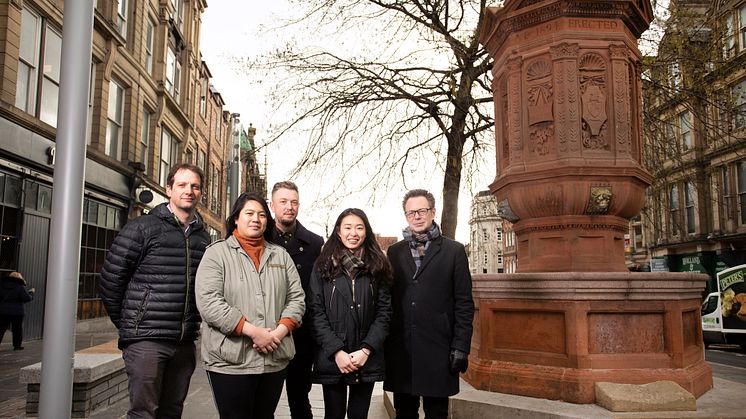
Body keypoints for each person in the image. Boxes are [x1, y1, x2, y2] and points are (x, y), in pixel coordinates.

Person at [100, 163, 211, 419]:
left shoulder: (203, 239)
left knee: (172, 411)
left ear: (200, 193)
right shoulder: (142, 228)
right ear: (168, 189)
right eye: (182, 185)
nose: (189, 191)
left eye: (195, 186)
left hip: (183, 343)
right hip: (146, 341)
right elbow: (111, 280)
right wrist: (132, 324)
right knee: (143, 413)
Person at [196, 192, 305, 419]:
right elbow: (209, 302)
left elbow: (297, 299)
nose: (256, 219)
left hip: (273, 359)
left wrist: (278, 332)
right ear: (236, 218)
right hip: (231, 361)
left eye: (262, 215)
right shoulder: (216, 254)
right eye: (249, 213)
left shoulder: (281, 256)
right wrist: (253, 332)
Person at [384, 189, 475, 419]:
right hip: (402, 349)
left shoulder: (454, 251)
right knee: (404, 412)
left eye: (421, 210)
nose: (416, 216)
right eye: (411, 212)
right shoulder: (394, 252)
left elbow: (464, 303)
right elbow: (386, 300)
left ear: (433, 212)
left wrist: (461, 346)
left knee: (437, 413)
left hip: (439, 348)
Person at [307, 208, 392, 419]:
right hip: (334, 357)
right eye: (347, 227)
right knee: (333, 415)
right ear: (338, 231)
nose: (353, 233)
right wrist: (337, 351)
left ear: (366, 232)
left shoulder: (378, 265)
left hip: (366, 358)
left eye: (359, 227)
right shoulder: (323, 266)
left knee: (359, 415)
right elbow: (316, 312)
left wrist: (366, 350)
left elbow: (384, 312)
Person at [268, 181, 324, 419]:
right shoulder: (259, 237)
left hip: (300, 335)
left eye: (293, 202)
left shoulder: (315, 243)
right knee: (263, 402)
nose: (289, 207)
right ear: (272, 205)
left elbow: (317, 292)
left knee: (300, 400)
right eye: (283, 202)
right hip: (265, 333)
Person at [0, 271, 35, 350]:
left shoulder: (2, 285)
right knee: (17, 329)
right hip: (17, 312)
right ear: (19, 278)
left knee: (1, 329)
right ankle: (17, 346)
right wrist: (31, 293)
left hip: (3, 311)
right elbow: (26, 298)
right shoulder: (20, 287)